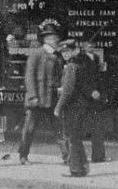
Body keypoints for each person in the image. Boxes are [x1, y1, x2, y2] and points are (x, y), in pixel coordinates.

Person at [18, 19, 64, 165]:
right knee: (29, 129)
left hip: (52, 99)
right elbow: (29, 77)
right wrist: (32, 96)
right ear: (46, 39)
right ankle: (23, 155)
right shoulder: (36, 54)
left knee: (59, 129)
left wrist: (60, 88)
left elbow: (60, 76)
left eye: (56, 37)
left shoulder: (58, 56)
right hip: (37, 99)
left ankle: (67, 156)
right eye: (53, 37)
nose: (56, 40)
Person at [53, 39, 96, 178]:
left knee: (72, 138)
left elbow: (68, 90)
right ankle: (82, 166)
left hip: (73, 107)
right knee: (76, 137)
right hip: (80, 105)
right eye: (63, 52)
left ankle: (76, 169)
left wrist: (58, 107)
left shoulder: (71, 66)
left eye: (67, 51)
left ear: (74, 51)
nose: (65, 54)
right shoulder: (79, 64)